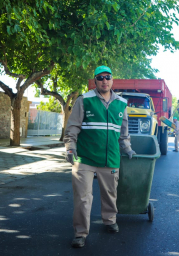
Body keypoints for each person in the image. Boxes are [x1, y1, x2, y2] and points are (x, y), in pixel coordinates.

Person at [64, 65, 136, 248]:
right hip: (85, 158)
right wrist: (70, 148)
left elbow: (123, 132)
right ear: (95, 81)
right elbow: (73, 127)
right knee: (82, 197)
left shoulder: (121, 103)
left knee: (110, 193)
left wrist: (127, 148)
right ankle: (80, 233)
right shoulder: (84, 100)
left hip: (110, 158)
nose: (104, 80)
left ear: (112, 80)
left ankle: (110, 219)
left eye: (107, 77)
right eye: (100, 77)